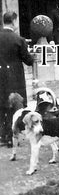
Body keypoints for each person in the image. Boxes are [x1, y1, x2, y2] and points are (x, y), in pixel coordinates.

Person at [0, 11, 33, 147]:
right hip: (15, 79)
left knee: (2, 106)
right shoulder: (19, 40)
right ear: (13, 21)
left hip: (1, 76)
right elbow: (29, 61)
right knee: (15, 107)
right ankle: (12, 136)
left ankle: (3, 135)